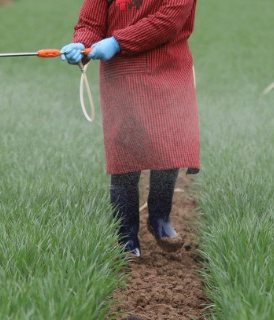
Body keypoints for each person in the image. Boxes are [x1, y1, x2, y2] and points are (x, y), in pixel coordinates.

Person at [61, 0, 200, 257]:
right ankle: (125, 235)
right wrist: (83, 43)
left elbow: (167, 21)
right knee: (125, 155)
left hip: (167, 69)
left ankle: (159, 217)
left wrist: (117, 42)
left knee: (168, 147)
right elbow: (91, 22)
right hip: (122, 73)